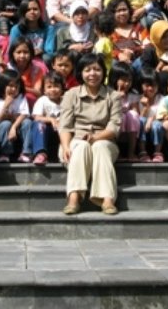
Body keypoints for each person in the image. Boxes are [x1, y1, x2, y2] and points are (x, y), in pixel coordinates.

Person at [60, 53, 122, 215]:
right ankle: (74, 197)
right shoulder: (71, 94)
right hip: (76, 141)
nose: (92, 74)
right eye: (87, 70)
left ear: (103, 72)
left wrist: (96, 138)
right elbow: (65, 125)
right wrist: (66, 147)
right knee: (80, 147)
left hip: (105, 141)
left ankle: (107, 199)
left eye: (97, 69)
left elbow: (114, 127)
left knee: (100, 147)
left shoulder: (113, 96)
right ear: (80, 72)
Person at [0, 69, 32, 163]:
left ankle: (26, 152)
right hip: (5, 129)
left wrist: (14, 127)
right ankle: (5, 153)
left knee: (28, 122)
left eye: (16, 86)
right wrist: (6, 104)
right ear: (3, 85)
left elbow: (24, 114)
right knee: (5, 124)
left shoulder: (21, 97)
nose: (13, 89)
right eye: (10, 86)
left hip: (18, 127)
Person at [30, 71, 65, 165]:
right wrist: (51, 119)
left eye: (56, 86)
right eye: (49, 87)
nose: (53, 89)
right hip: (47, 131)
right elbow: (36, 117)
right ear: (44, 90)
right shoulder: (42, 100)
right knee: (39, 125)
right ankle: (41, 153)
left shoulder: (66, 100)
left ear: (62, 88)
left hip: (63, 131)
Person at [108, 62, 141, 161]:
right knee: (120, 116)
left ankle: (131, 152)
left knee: (132, 115)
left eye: (129, 80)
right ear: (115, 79)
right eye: (123, 80)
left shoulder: (132, 94)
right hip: (113, 124)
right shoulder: (108, 92)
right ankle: (116, 152)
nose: (126, 84)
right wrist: (117, 98)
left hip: (128, 126)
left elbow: (136, 112)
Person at [107, 0, 150, 68]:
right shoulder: (109, 31)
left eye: (124, 10)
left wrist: (132, 52)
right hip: (118, 67)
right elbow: (105, 49)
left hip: (138, 65)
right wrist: (119, 54)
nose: (122, 13)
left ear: (129, 11)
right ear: (112, 14)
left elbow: (148, 45)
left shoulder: (138, 28)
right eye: (118, 11)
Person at [9, 0, 50, 64]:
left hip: (42, 60)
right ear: (23, 12)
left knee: (47, 57)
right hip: (23, 60)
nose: (32, 12)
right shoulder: (16, 29)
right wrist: (31, 52)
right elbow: (13, 49)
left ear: (40, 11)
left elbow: (50, 50)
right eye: (28, 10)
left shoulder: (48, 29)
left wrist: (41, 51)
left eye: (35, 9)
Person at [137, 67, 164, 162]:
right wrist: (145, 108)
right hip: (143, 129)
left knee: (157, 124)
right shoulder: (137, 99)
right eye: (147, 85)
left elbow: (162, 115)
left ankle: (157, 152)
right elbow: (138, 119)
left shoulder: (162, 99)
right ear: (141, 85)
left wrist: (150, 120)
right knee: (141, 120)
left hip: (156, 127)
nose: (151, 88)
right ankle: (142, 152)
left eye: (154, 85)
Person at [92, 11, 116, 78]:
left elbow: (99, 59)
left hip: (103, 75)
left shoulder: (102, 43)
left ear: (96, 27)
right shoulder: (107, 40)